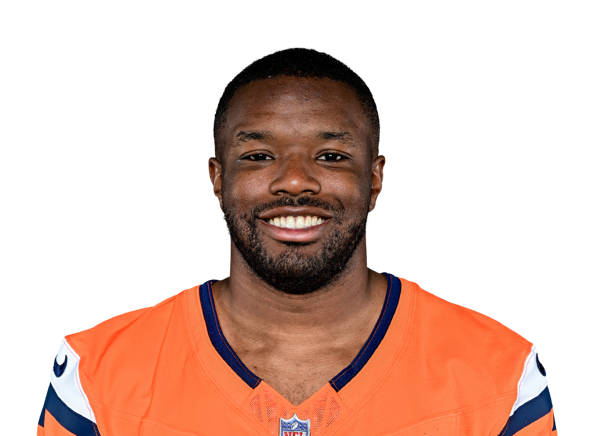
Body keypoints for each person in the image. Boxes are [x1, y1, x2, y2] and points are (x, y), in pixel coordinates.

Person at [37, 47, 557, 435]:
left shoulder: (500, 371)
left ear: (375, 178)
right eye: (258, 156)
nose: (294, 182)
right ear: (217, 178)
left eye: (330, 157)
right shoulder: (97, 371)